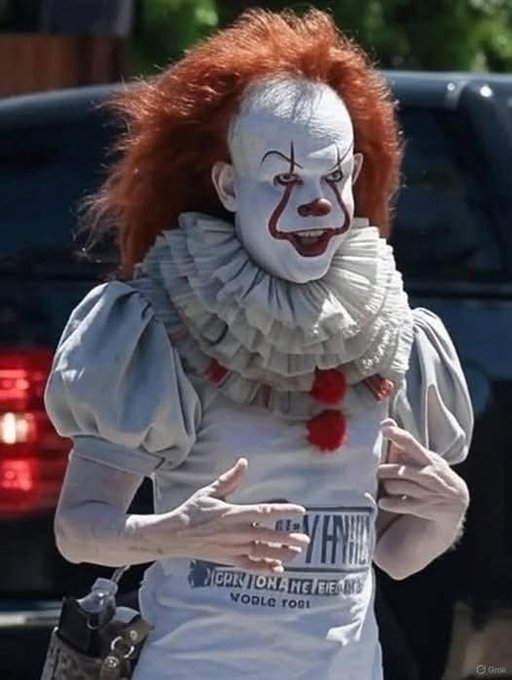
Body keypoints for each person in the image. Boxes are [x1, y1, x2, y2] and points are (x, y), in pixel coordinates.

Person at [44, 9, 473, 680]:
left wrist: (449, 513)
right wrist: (171, 533)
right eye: (284, 179)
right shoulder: (162, 326)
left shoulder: (391, 332)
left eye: (332, 177)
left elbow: (395, 555)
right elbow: (78, 530)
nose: (316, 202)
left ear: (357, 173)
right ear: (228, 185)